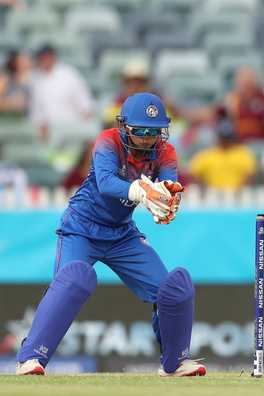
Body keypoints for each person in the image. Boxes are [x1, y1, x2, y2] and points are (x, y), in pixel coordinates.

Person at [15, 93, 205, 377]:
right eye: (139, 130)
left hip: (122, 234)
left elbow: (169, 185)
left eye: (153, 131)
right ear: (124, 126)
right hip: (81, 227)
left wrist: (168, 198)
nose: (145, 138)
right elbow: (106, 183)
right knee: (73, 279)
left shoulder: (166, 151)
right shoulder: (107, 141)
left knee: (171, 289)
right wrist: (141, 191)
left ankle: (175, 362)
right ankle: (30, 359)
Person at [29, 44, 94, 140]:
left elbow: (85, 105)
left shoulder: (69, 74)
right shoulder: (34, 78)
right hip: (46, 134)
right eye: (42, 57)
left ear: (53, 57)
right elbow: (35, 111)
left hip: (71, 131)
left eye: (47, 56)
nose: (45, 60)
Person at [188, 118, 256, 192]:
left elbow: (249, 176)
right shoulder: (207, 155)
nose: (225, 140)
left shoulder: (242, 154)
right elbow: (194, 174)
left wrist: (240, 192)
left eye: (227, 138)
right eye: (223, 137)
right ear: (218, 137)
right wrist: (204, 190)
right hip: (213, 195)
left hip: (237, 196)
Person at [220, 66, 264, 141]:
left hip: (261, 142)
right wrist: (231, 110)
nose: (245, 83)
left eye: (248, 80)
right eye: (241, 80)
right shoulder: (232, 100)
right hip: (238, 145)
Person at [0, 50, 30, 117]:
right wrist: (12, 102)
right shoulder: (5, 79)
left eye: (25, 61)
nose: (23, 64)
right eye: (20, 61)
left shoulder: (33, 80)